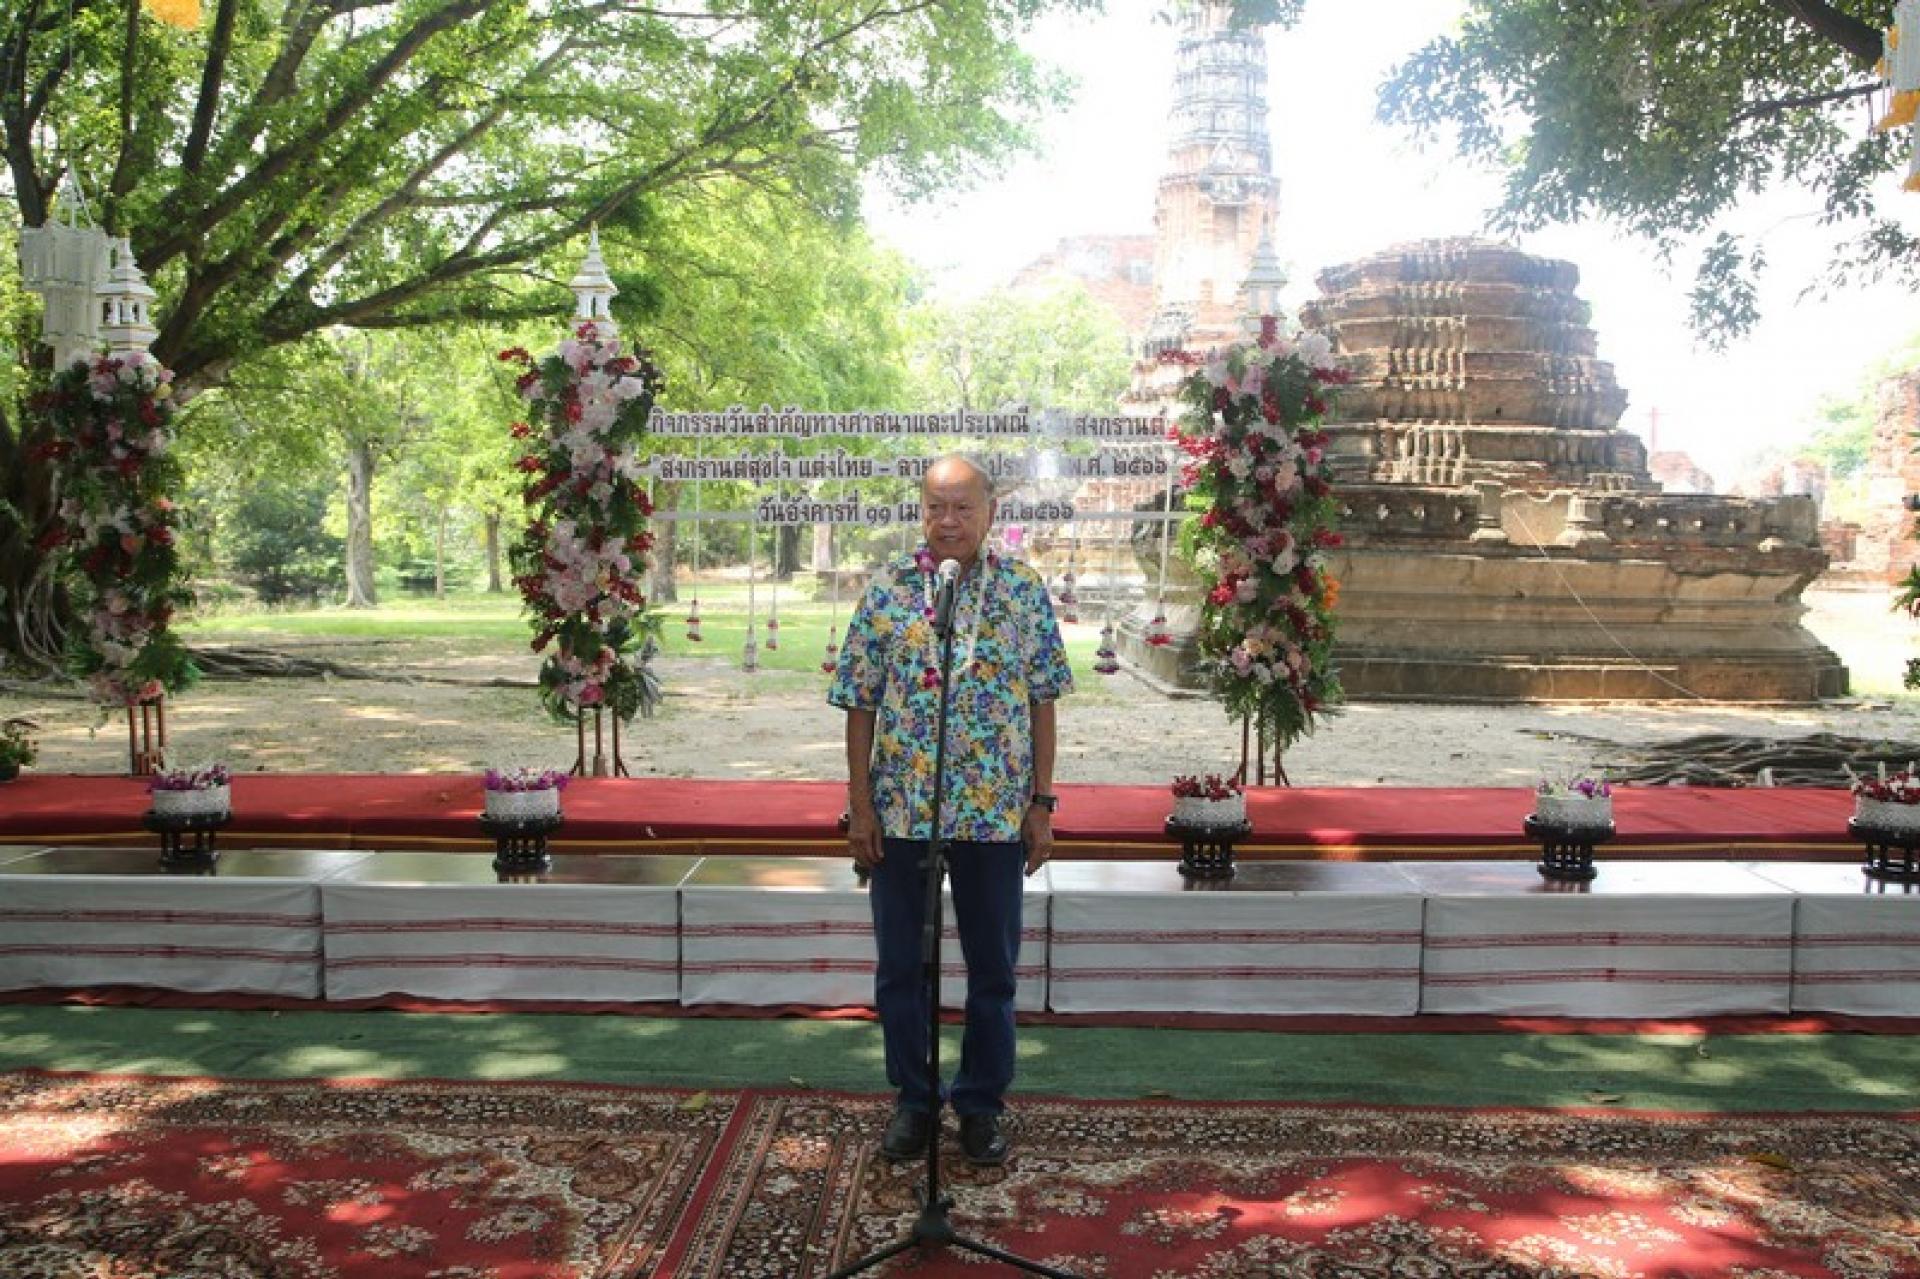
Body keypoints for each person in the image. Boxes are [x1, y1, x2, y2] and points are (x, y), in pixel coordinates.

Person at [827, 454, 1073, 1165]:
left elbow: (1043, 700)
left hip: (994, 813)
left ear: (991, 511)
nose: (949, 520)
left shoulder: (1021, 591)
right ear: (921, 510)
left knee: (993, 968)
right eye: (936, 506)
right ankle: (914, 1098)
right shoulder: (888, 590)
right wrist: (861, 807)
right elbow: (860, 703)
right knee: (901, 968)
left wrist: (1041, 802)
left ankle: (980, 1103)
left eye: (963, 506)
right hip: (902, 810)